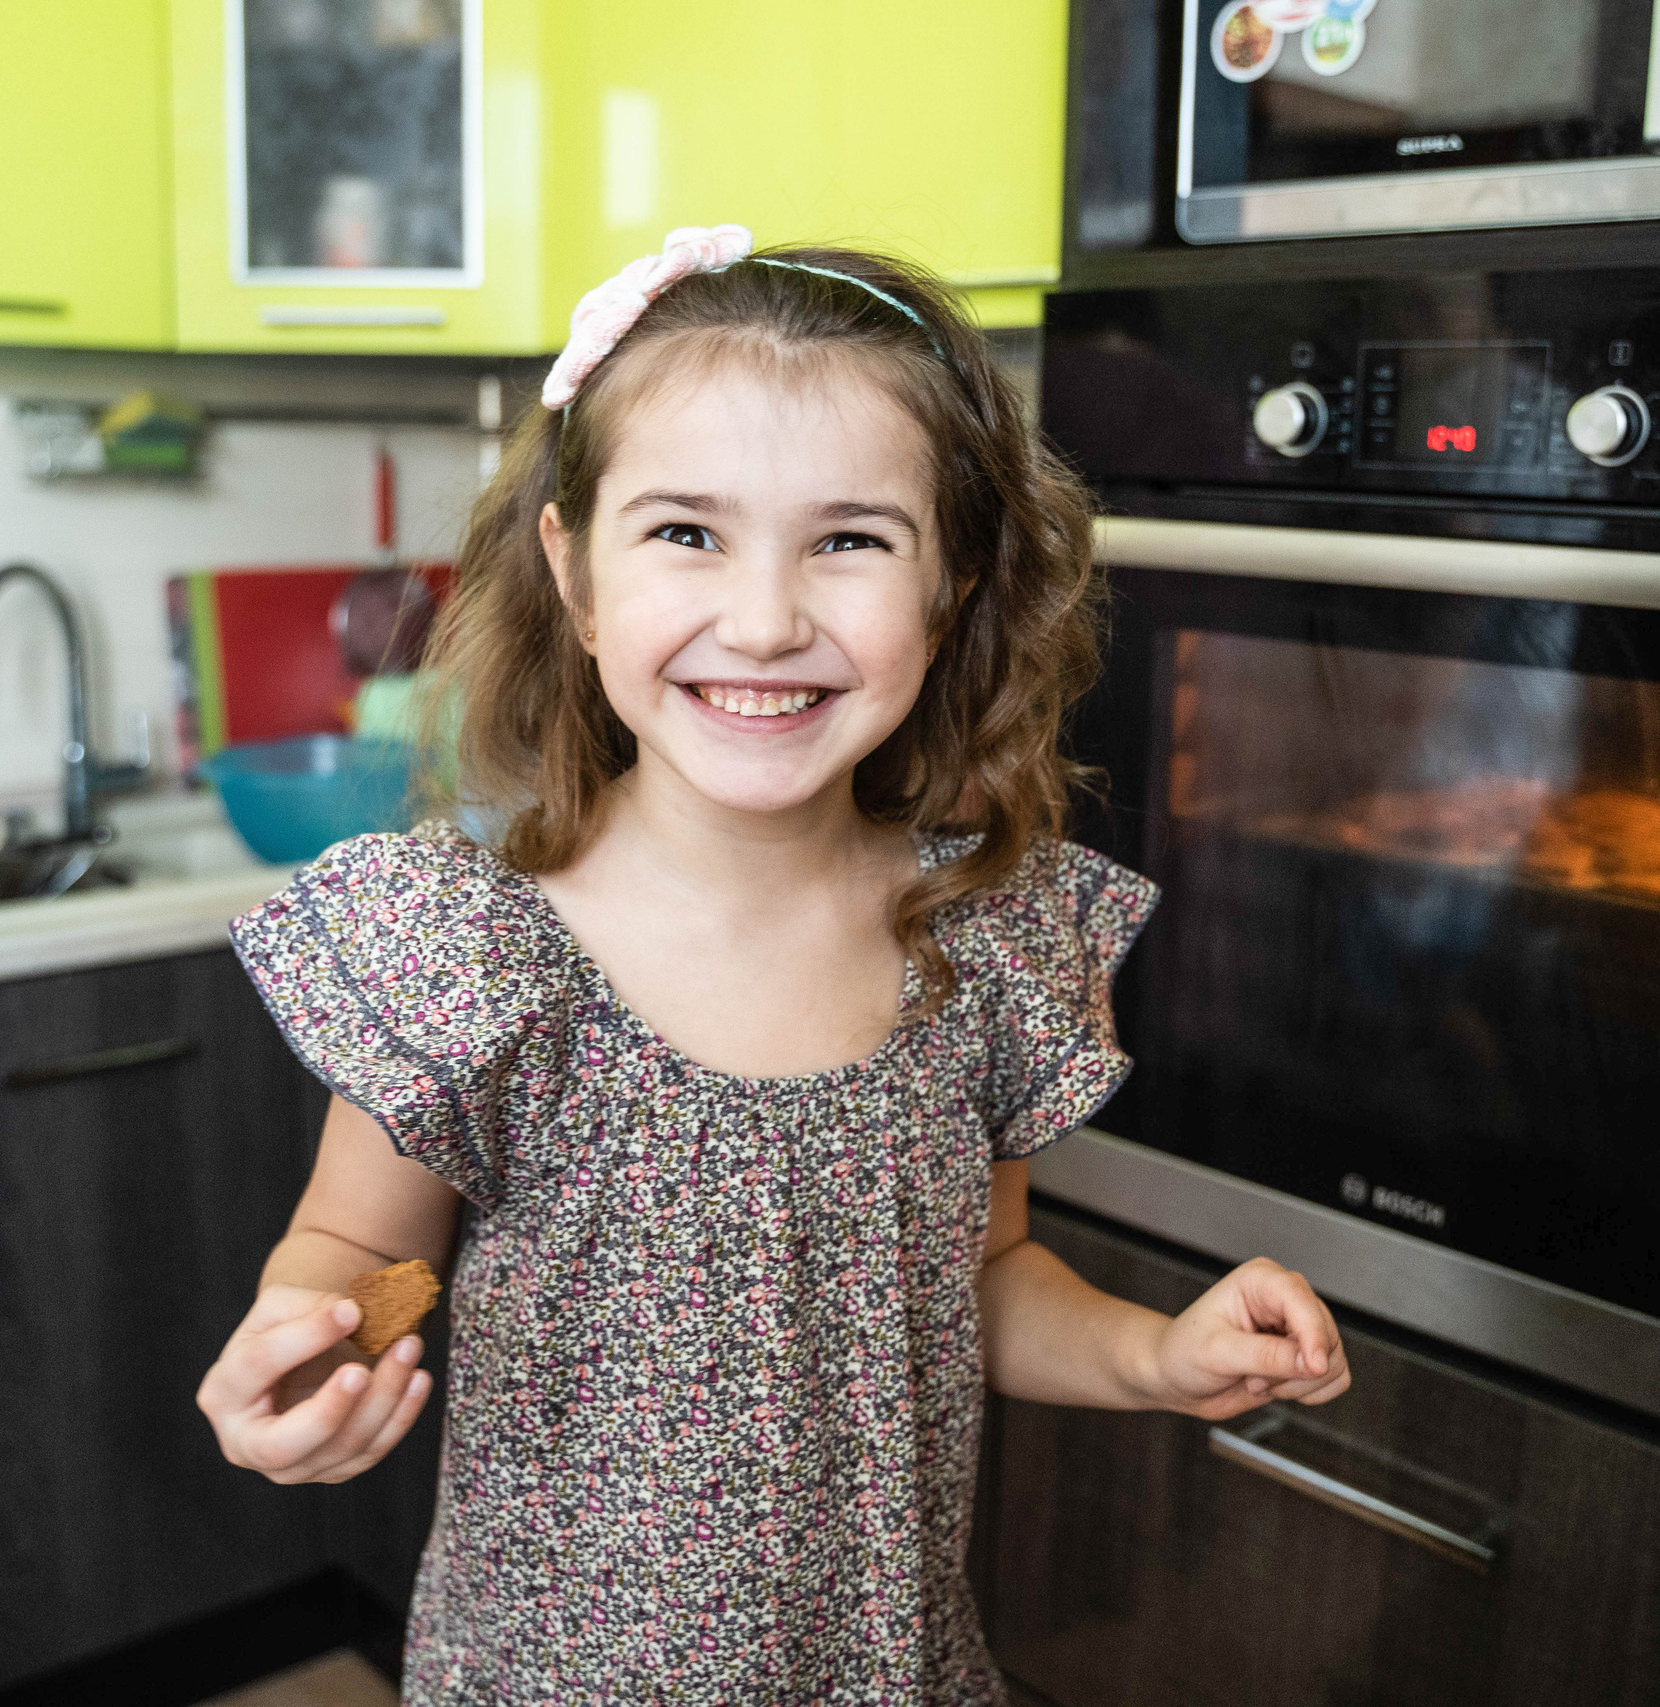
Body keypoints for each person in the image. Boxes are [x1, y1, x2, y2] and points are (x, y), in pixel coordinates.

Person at [197, 225, 1352, 1703]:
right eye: (687, 531)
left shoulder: (983, 940)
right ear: (576, 568)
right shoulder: (474, 946)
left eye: (851, 540)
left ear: (954, 585)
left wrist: (1153, 1354)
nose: (765, 620)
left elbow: (977, 1278)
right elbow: (358, 1257)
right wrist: (297, 1364)